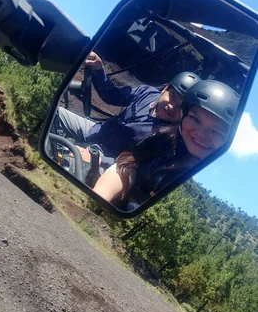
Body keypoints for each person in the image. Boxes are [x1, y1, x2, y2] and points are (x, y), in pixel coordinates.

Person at [92, 80, 239, 205]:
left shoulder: (208, 182)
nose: (201, 134)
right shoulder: (163, 139)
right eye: (195, 119)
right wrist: (98, 197)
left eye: (217, 131)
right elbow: (127, 165)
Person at [54, 51, 200, 169]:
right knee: (56, 114)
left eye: (181, 107)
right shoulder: (147, 93)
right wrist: (99, 69)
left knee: (68, 165)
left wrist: (97, 159)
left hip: (109, 159)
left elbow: (138, 167)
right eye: (173, 96)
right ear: (165, 89)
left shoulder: (169, 138)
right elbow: (112, 96)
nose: (172, 107)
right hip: (97, 130)